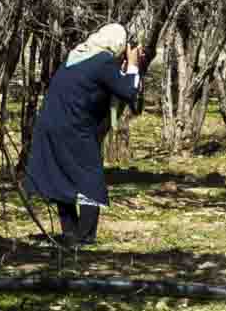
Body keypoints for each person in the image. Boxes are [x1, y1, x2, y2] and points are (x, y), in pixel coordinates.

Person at [25, 23, 144, 247]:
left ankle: (70, 233)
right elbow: (128, 91)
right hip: (74, 128)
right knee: (90, 177)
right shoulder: (103, 61)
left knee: (62, 175)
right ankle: (85, 235)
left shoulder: (77, 56)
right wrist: (134, 64)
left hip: (52, 124)